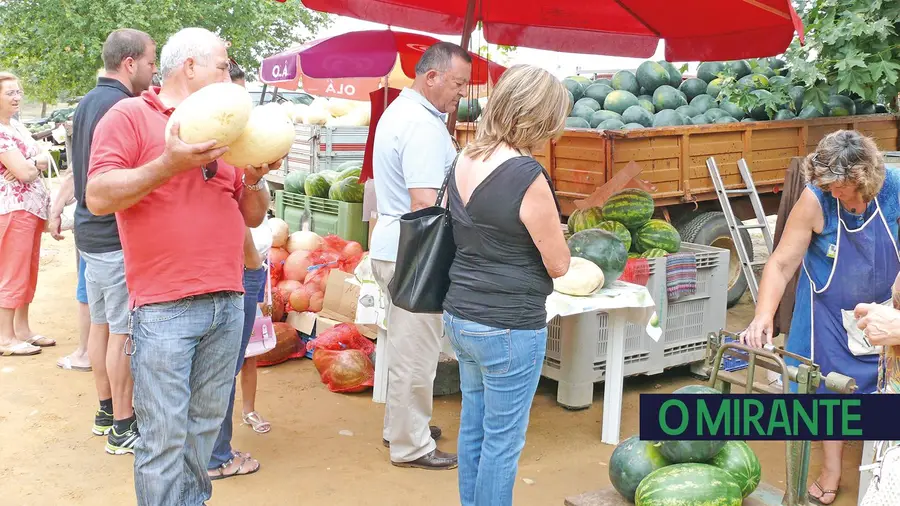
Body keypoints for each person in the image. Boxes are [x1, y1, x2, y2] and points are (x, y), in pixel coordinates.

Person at [85, 27, 277, 506]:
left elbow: (251, 215)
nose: (229, 75)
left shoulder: (227, 129)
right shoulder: (129, 115)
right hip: (164, 306)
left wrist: (254, 178)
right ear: (189, 66)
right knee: (164, 438)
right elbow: (98, 196)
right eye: (221, 64)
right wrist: (168, 164)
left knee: (203, 434)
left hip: (228, 300)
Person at [742, 130, 900, 505]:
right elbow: (780, 264)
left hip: (882, 312)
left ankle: (883, 467)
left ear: (863, 178)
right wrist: (762, 315)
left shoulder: (894, 192)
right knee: (826, 391)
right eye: (826, 186)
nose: (833, 194)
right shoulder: (815, 201)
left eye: (840, 188)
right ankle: (831, 468)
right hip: (826, 312)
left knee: (887, 388)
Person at [442, 64, 571, 506]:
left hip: (461, 315)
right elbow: (558, 264)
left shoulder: (464, 157)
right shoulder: (527, 175)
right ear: (537, 117)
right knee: (503, 443)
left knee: (474, 427)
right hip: (510, 326)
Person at [370, 41, 472, 470]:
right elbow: (427, 205)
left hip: (394, 245)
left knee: (400, 344)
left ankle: (401, 427)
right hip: (417, 251)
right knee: (417, 351)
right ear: (431, 76)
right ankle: (412, 445)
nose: (460, 95)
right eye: (457, 84)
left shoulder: (403, 112)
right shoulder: (423, 127)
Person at [68, 28, 157, 454]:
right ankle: (124, 425)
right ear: (130, 63)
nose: (153, 70)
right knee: (123, 331)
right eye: (151, 61)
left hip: (88, 233)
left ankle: (106, 411)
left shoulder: (88, 101)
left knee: (104, 325)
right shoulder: (124, 106)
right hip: (113, 235)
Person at [206, 62, 269, 482]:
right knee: (218, 370)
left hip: (242, 269)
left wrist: (255, 177)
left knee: (224, 367)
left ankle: (215, 450)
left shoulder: (235, 154)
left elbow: (253, 215)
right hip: (226, 274)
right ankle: (215, 456)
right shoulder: (201, 151)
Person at [0, 71, 54, 357]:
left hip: (31, 209)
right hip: (12, 209)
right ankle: (5, 336)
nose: (17, 96)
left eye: (18, 91)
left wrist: (32, 163)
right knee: (13, 270)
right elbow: (23, 172)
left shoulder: (17, 128)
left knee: (28, 270)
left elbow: (40, 160)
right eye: (10, 92)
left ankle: (22, 329)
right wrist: (34, 163)